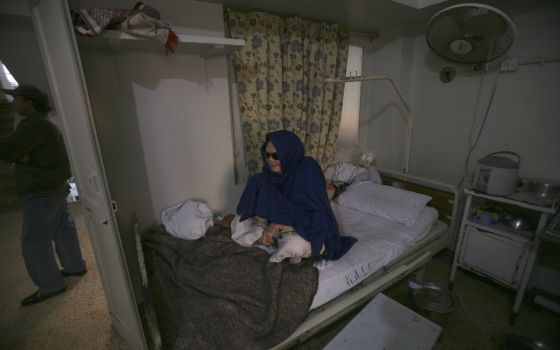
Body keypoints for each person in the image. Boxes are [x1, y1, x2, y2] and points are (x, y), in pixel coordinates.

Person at [0, 84, 87, 306]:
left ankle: (51, 285)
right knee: (62, 228)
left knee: (35, 241)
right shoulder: (45, 123)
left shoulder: (33, 126)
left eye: (17, 99)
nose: (15, 103)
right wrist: (23, 157)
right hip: (54, 186)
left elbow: (7, 151)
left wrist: (22, 158)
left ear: (29, 103)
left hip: (41, 189)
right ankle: (74, 266)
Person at [237, 130, 356, 260]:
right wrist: (265, 222)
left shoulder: (308, 171)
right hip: (282, 221)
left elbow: (315, 216)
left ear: (288, 154)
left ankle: (272, 241)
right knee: (241, 218)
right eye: (267, 154)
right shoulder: (270, 174)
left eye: (276, 156)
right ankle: (268, 238)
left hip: (311, 228)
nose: (270, 160)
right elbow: (269, 204)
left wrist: (277, 225)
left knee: (294, 245)